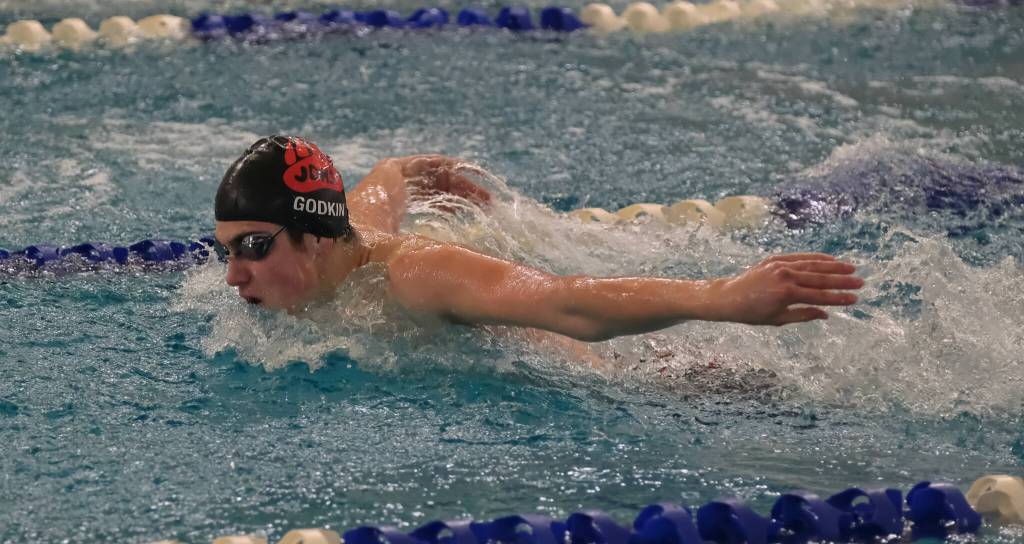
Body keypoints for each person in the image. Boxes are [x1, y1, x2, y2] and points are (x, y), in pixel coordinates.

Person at [213, 135, 863, 343]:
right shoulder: (347, 230)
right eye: (226, 251)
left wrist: (723, 295)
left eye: (253, 247)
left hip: (626, 375)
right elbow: (380, 186)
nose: (233, 276)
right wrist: (410, 168)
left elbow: (564, 302)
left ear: (315, 239)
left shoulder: (414, 274)